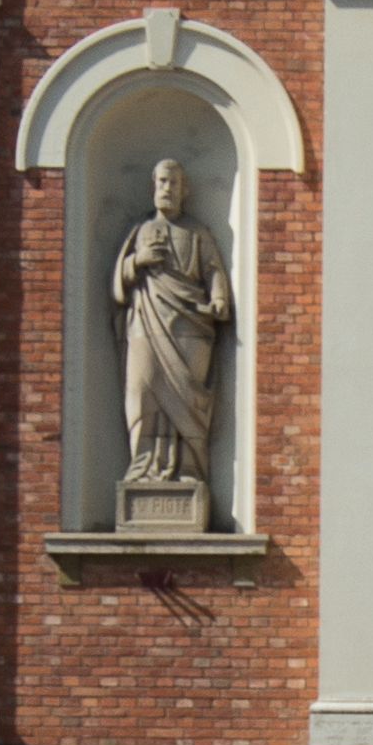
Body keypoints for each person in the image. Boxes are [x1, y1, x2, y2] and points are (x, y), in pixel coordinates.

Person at [113, 158, 232, 501]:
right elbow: (117, 283)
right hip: (146, 324)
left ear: (184, 190)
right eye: (162, 182)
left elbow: (213, 270)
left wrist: (219, 299)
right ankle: (142, 467)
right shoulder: (140, 231)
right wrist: (138, 261)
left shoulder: (197, 233)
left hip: (190, 325)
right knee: (141, 391)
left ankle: (188, 470)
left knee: (187, 398)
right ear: (154, 186)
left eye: (173, 183)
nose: (166, 189)